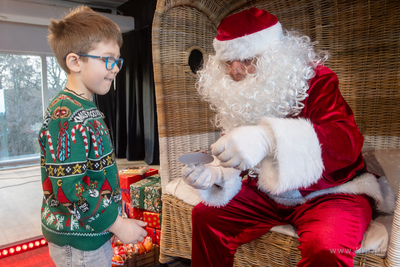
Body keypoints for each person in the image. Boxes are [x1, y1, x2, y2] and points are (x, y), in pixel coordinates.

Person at [181, 7, 395, 267]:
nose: (236, 71)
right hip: (268, 193)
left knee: (325, 249)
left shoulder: (317, 81)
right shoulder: (237, 93)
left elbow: (346, 143)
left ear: (274, 56)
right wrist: (215, 174)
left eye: (247, 59)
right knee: (206, 217)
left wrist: (269, 138)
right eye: (228, 62)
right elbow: (238, 151)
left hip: (333, 192)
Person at [39, 6, 147, 266]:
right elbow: (70, 187)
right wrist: (119, 224)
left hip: (93, 233)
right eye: (107, 59)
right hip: (79, 243)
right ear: (75, 62)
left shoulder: (84, 108)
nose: (116, 68)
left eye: (117, 60)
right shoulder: (66, 114)